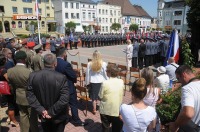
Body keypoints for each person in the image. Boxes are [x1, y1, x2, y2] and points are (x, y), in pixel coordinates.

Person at [27, 53, 69, 132]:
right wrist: (50, 112)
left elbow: (30, 96)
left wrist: (42, 110)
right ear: (55, 63)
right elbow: (65, 98)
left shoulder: (33, 76)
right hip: (57, 116)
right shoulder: (61, 77)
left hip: (44, 115)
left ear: (43, 63)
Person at [55, 47, 87, 126]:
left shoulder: (54, 61)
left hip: (58, 87)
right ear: (64, 54)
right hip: (68, 87)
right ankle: (76, 120)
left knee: (62, 104)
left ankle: (64, 118)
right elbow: (73, 76)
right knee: (73, 104)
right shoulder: (66, 64)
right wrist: (75, 76)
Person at [7, 51, 38, 132]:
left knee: (23, 115)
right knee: (33, 117)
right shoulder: (29, 72)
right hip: (30, 96)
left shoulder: (10, 71)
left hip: (19, 95)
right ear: (24, 59)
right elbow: (34, 85)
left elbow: (11, 85)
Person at [169, 65, 200, 132]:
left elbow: (188, 113)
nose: (179, 82)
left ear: (184, 75)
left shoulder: (187, 88)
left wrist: (175, 125)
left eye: (178, 78)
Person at [98, 64, 124, 132]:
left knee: (105, 128)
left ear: (109, 72)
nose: (106, 72)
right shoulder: (121, 81)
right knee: (116, 129)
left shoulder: (105, 83)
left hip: (105, 110)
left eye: (106, 71)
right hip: (116, 110)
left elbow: (100, 96)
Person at [85, 50, 108, 114]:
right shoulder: (103, 63)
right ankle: (103, 108)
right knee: (102, 96)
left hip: (93, 81)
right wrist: (108, 80)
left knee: (94, 97)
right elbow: (105, 74)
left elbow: (87, 74)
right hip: (101, 81)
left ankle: (94, 109)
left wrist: (86, 82)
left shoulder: (89, 63)